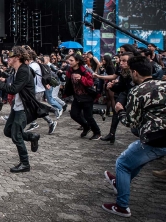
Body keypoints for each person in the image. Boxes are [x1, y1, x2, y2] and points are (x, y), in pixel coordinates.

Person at [102, 56, 166, 218]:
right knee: (134, 159)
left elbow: (130, 122)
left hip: (155, 138)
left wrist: (119, 110)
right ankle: (120, 182)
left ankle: (122, 206)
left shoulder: (137, 91)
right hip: (158, 140)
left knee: (122, 164)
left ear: (135, 73)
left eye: (130, 72)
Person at [0, 46, 40, 173]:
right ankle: (31, 137)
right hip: (17, 106)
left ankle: (25, 164)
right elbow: (15, 85)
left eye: (10, 57)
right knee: (8, 131)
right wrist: (5, 79)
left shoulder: (24, 70)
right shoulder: (18, 70)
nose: (8, 59)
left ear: (17, 57)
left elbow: (14, 89)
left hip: (24, 108)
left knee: (16, 135)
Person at [63, 54, 101, 140]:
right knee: (74, 114)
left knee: (88, 116)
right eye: (69, 60)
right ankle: (86, 126)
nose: (69, 62)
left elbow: (91, 82)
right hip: (77, 96)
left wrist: (81, 78)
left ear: (77, 61)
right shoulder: (70, 70)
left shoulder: (85, 69)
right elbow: (68, 82)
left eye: (71, 60)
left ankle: (97, 132)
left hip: (87, 96)